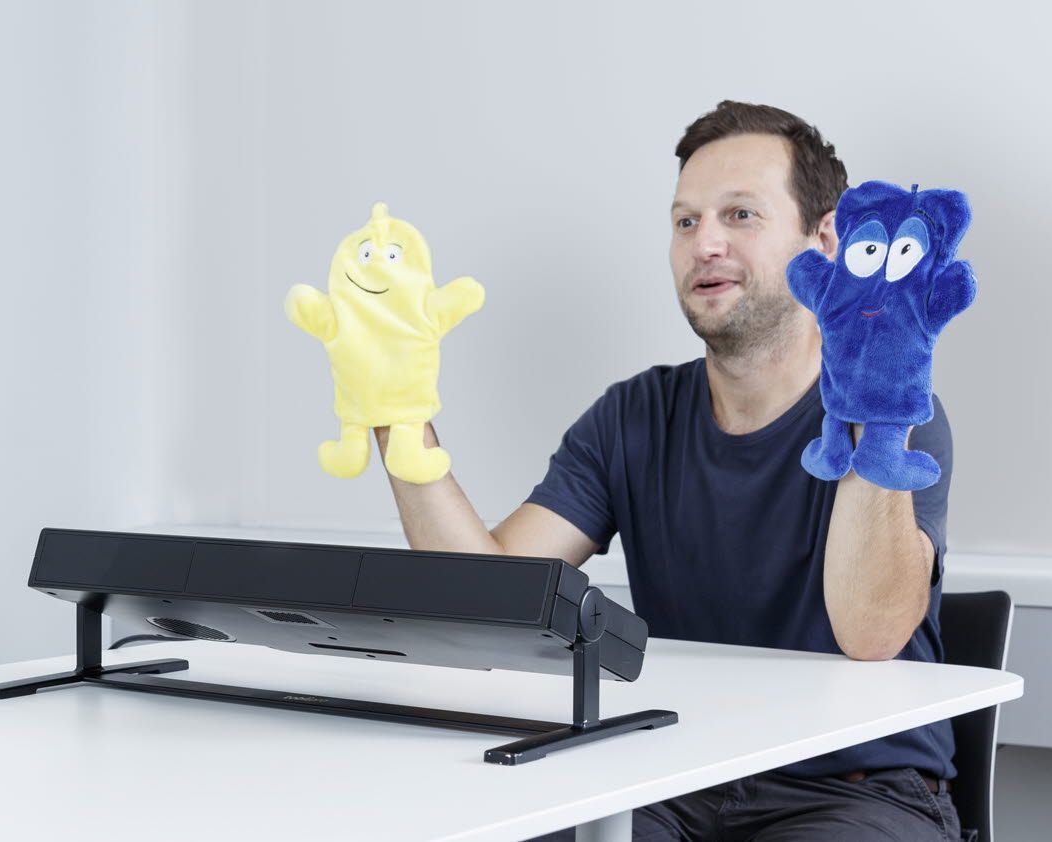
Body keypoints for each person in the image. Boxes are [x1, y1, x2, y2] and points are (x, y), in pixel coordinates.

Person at [373, 100, 964, 842]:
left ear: (825, 241)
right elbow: (485, 601)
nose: (704, 243)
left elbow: (871, 633)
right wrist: (394, 411)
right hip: (669, 780)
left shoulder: (899, 416)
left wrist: (872, 408)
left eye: (739, 215)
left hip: (851, 794)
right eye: (685, 222)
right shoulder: (632, 417)